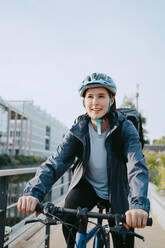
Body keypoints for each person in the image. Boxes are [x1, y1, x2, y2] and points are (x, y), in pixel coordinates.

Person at [17, 72, 150, 248]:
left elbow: (137, 167)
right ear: (84, 102)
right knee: (68, 212)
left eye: (101, 96)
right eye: (90, 97)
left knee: (123, 238)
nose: (95, 102)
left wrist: (138, 206)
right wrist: (32, 193)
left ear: (111, 100)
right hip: (88, 187)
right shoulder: (78, 130)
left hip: (118, 189)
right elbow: (55, 163)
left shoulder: (125, 128)